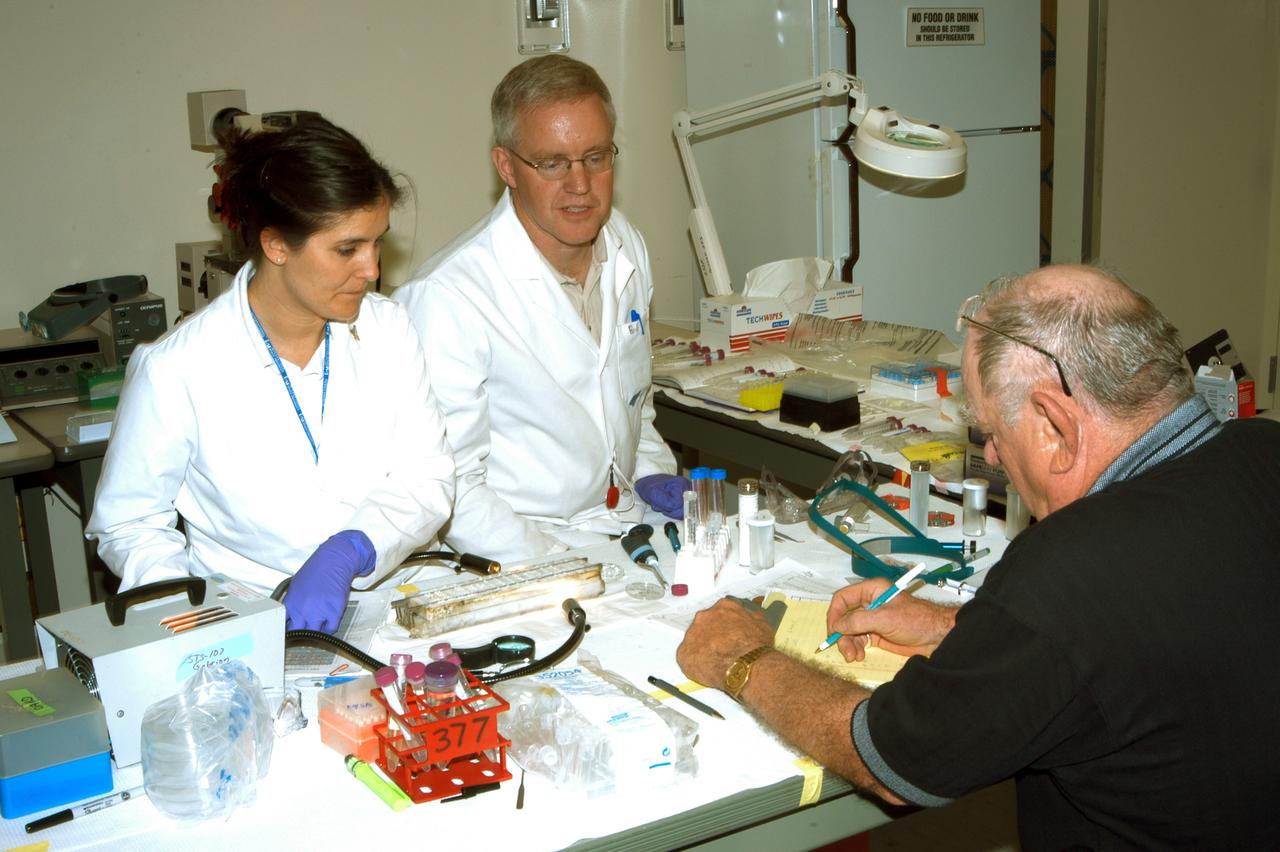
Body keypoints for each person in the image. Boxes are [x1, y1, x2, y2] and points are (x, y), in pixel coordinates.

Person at [676, 265, 1280, 850]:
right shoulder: (1265, 449)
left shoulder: (1066, 573)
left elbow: (887, 760)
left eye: (991, 430)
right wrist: (961, 629)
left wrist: (742, 659)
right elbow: (1154, 643)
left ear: (1055, 427)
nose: (991, 454)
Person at [87, 115, 456, 633]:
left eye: (378, 242)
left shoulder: (389, 330)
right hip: (250, 617)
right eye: (347, 249)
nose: (372, 269)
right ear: (276, 245)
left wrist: (354, 547)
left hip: (397, 601)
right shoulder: (178, 367)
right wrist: (195, 625)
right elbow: (130, 524)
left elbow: (427, 477)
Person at [394, 55, 680, 564]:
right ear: (506, 166)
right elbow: (453, 489)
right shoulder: (447, 296)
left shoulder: (625, 246)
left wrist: (652, 470)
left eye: (596, 157)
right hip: (518, 549)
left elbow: (632, 403)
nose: (580, 184)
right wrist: (558, 567)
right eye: (552, 163)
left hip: (626, 526)